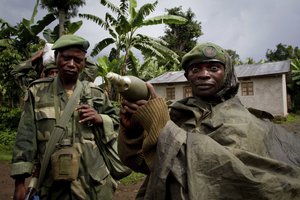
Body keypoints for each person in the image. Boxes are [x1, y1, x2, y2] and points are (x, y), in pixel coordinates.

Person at [118, 42, 300, 199]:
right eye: (195, 69)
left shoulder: (246, 123)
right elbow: (144, 163)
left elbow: (235, 178)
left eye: (214, 68)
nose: (203, 74)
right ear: (188, 76)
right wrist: (134, 132)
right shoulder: (176, 114)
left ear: (227, 73)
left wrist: (164, 129)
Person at [11, 34, 121, 200]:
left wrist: (100, 118)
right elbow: (25, 138)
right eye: (66, 58)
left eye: (78, 60)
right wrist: (19, 183)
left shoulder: (95, 93)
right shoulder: (37, 92)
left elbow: (118, 122)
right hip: (52, 185)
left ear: (84, 62)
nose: (71, 64)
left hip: (92, 185)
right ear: (56, 58)